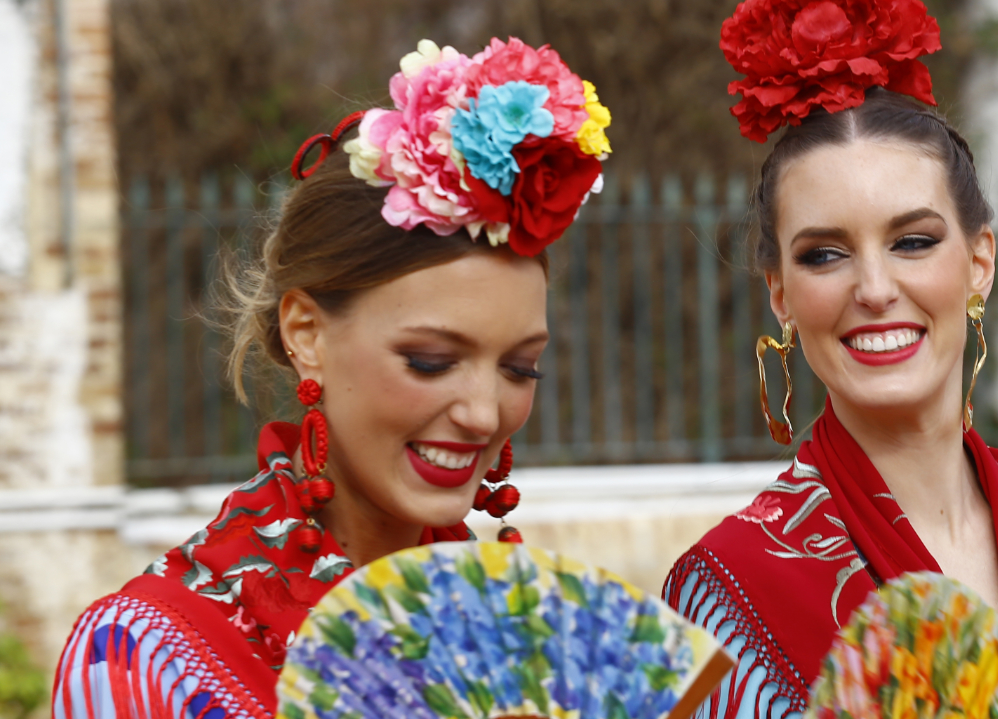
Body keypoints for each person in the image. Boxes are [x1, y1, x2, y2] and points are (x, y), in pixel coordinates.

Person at [52, 36, 614, 718]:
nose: (483, 412)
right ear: (307, 336)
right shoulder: (144, 660)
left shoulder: (538, 649)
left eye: (520, 368)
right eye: (430, 361)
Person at [663, 0, 998, 719]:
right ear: (781, 295)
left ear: (979, 261)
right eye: (825, 255)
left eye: (913, 242)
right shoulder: (731, 590)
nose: (876, 289)